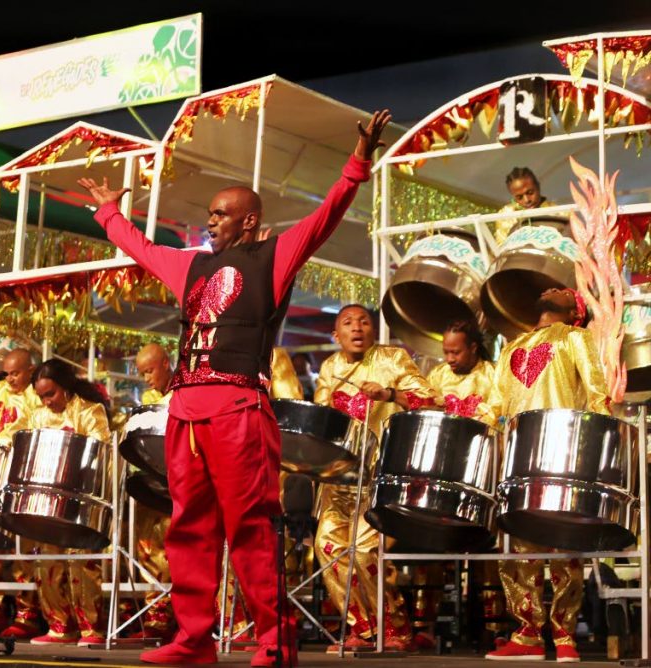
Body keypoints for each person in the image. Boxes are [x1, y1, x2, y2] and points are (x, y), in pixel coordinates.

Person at [78, 109, 391, 666]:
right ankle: (194, 639)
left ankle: (275, 640)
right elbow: (142, 250)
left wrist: (357, 162)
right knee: (188, 528)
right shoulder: (192, 267)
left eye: (222, 214)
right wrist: (108, 214)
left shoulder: (273, 257)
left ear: (249, 221)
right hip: (186, 412)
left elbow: (324, 218)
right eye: (210, 214)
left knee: (250, 526)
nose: (212, 221)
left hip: (238, 407)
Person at [484, 288, 609, 663]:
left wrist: (592, 449)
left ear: (575, 311)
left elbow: (597, 393)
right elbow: (494, 404)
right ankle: (526, 635)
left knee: (562, 542)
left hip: (562, 449)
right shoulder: (511, 347)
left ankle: (565, 633)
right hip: (519, 453)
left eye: (563, 291)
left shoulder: (575, 337)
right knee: (519, 547)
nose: (550, 289)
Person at [313, 304, 434, 653]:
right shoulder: (330, 368)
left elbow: (432, 400)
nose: (357, 328)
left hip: (380, 477)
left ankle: (395, 629)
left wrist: (390, 395)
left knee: (366, 551)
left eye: (364, 322)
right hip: (338, 478)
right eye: (348, 323)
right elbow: (323, 420)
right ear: (336, 335)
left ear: (374, 330)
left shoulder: (393, 359)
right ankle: (363, 630)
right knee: (328, 548)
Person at [416, 320, 498, 648]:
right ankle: (425, 626)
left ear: (474, 347)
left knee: (488, 550)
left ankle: (495, 627)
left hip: (481, 471)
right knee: (430, 543)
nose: (449, 358)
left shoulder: (493, 375)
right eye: (445, 351)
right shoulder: (437, 376)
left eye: (456, 351)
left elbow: (498, 415)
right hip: (443, 473)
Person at [27, 358, 112, 647]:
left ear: (65, 387)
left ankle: (91, 629)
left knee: (79, 559)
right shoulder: (38, 417)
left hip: (82, 501)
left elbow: (100, 455)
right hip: (49, 500)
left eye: (50, 394)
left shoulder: (90, 412)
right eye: (41, 396)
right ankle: (59, 627)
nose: (46, 401)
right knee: (43, 557)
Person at [0, 348, 44, 640]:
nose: (10, 379)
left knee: (25, 546)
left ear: (30, 370)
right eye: (6, 373)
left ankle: (26, 613)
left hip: (22, 474)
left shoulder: (36, 395)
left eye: (16, 373)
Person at [130, 343, 175, 638]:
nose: (147, 379)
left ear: (167, 363)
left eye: (150, 371)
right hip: (158, 484)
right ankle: (157, 616)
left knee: (177, 546)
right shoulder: (148, 398)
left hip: (183, 483)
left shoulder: (183, 391)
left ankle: (186, 615)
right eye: (142, 373)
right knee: (147, 546)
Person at [493, 167, 556, 245]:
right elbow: (501, 248)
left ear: (538, 187)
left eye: (530, 192)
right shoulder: (506, 216)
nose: (526, 200)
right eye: (519, 197)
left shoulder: (559, 212)